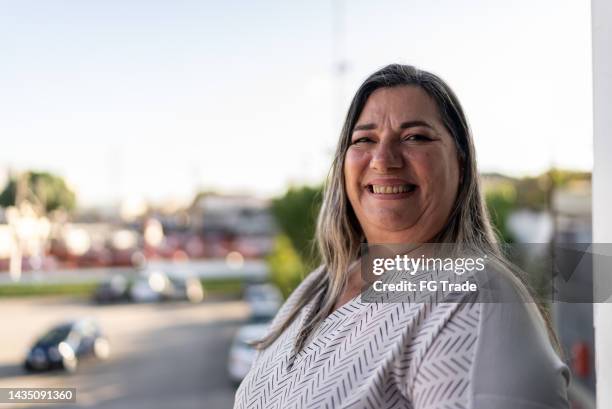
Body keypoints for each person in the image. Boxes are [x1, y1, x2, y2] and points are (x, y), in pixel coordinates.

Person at [233, 64, 570, 409]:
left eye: (415, 137)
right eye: (365, 139)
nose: (383, 159)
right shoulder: (321, 285)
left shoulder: (471, 298)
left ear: (462, 163)